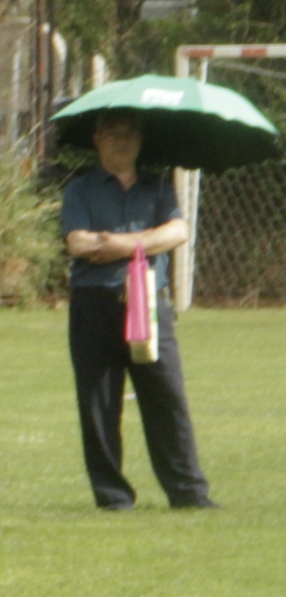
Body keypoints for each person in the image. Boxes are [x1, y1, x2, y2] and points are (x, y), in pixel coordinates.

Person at [58, 109, 212, 510]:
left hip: (149, 306)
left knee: (167, 400)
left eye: (129, 133)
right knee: (99, 403)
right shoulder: (80, 190)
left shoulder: (160, 187)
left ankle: (189, 493)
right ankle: (112, 497)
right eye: (112, 134)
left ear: (141, 140)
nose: (121, 141)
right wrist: (148, 240)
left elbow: (178, 232)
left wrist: (119, 245)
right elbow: (77, 242)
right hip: (94, 305)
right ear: (98, 139)